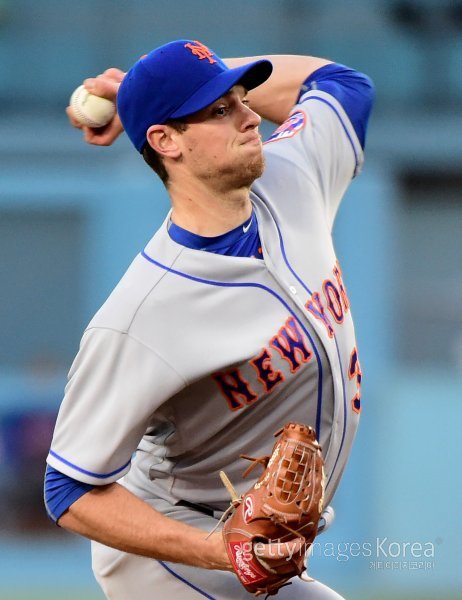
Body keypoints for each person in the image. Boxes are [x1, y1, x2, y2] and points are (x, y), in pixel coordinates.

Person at [45, 39, 374, 599]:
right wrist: (222, 553)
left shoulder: (295, 174)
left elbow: (343, 83)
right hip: (177, 549)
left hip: (256, 546)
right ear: (165, 141)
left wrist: (142, 90)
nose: (252, 117)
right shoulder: (142, 315)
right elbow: (69, 492)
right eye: (222, 110)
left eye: (243, 97)